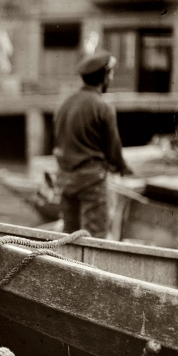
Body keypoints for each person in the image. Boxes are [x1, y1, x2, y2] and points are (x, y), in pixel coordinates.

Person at [53, 50, 133, 238]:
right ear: (104, 77)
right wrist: (123, 168)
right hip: (92, 184)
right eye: (110, 74)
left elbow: (60, 140)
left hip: (65, 181)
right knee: (95, 237)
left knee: (69, 236)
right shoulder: (103, 107)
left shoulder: (64, 104)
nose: (111, 78)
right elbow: (113, 151)